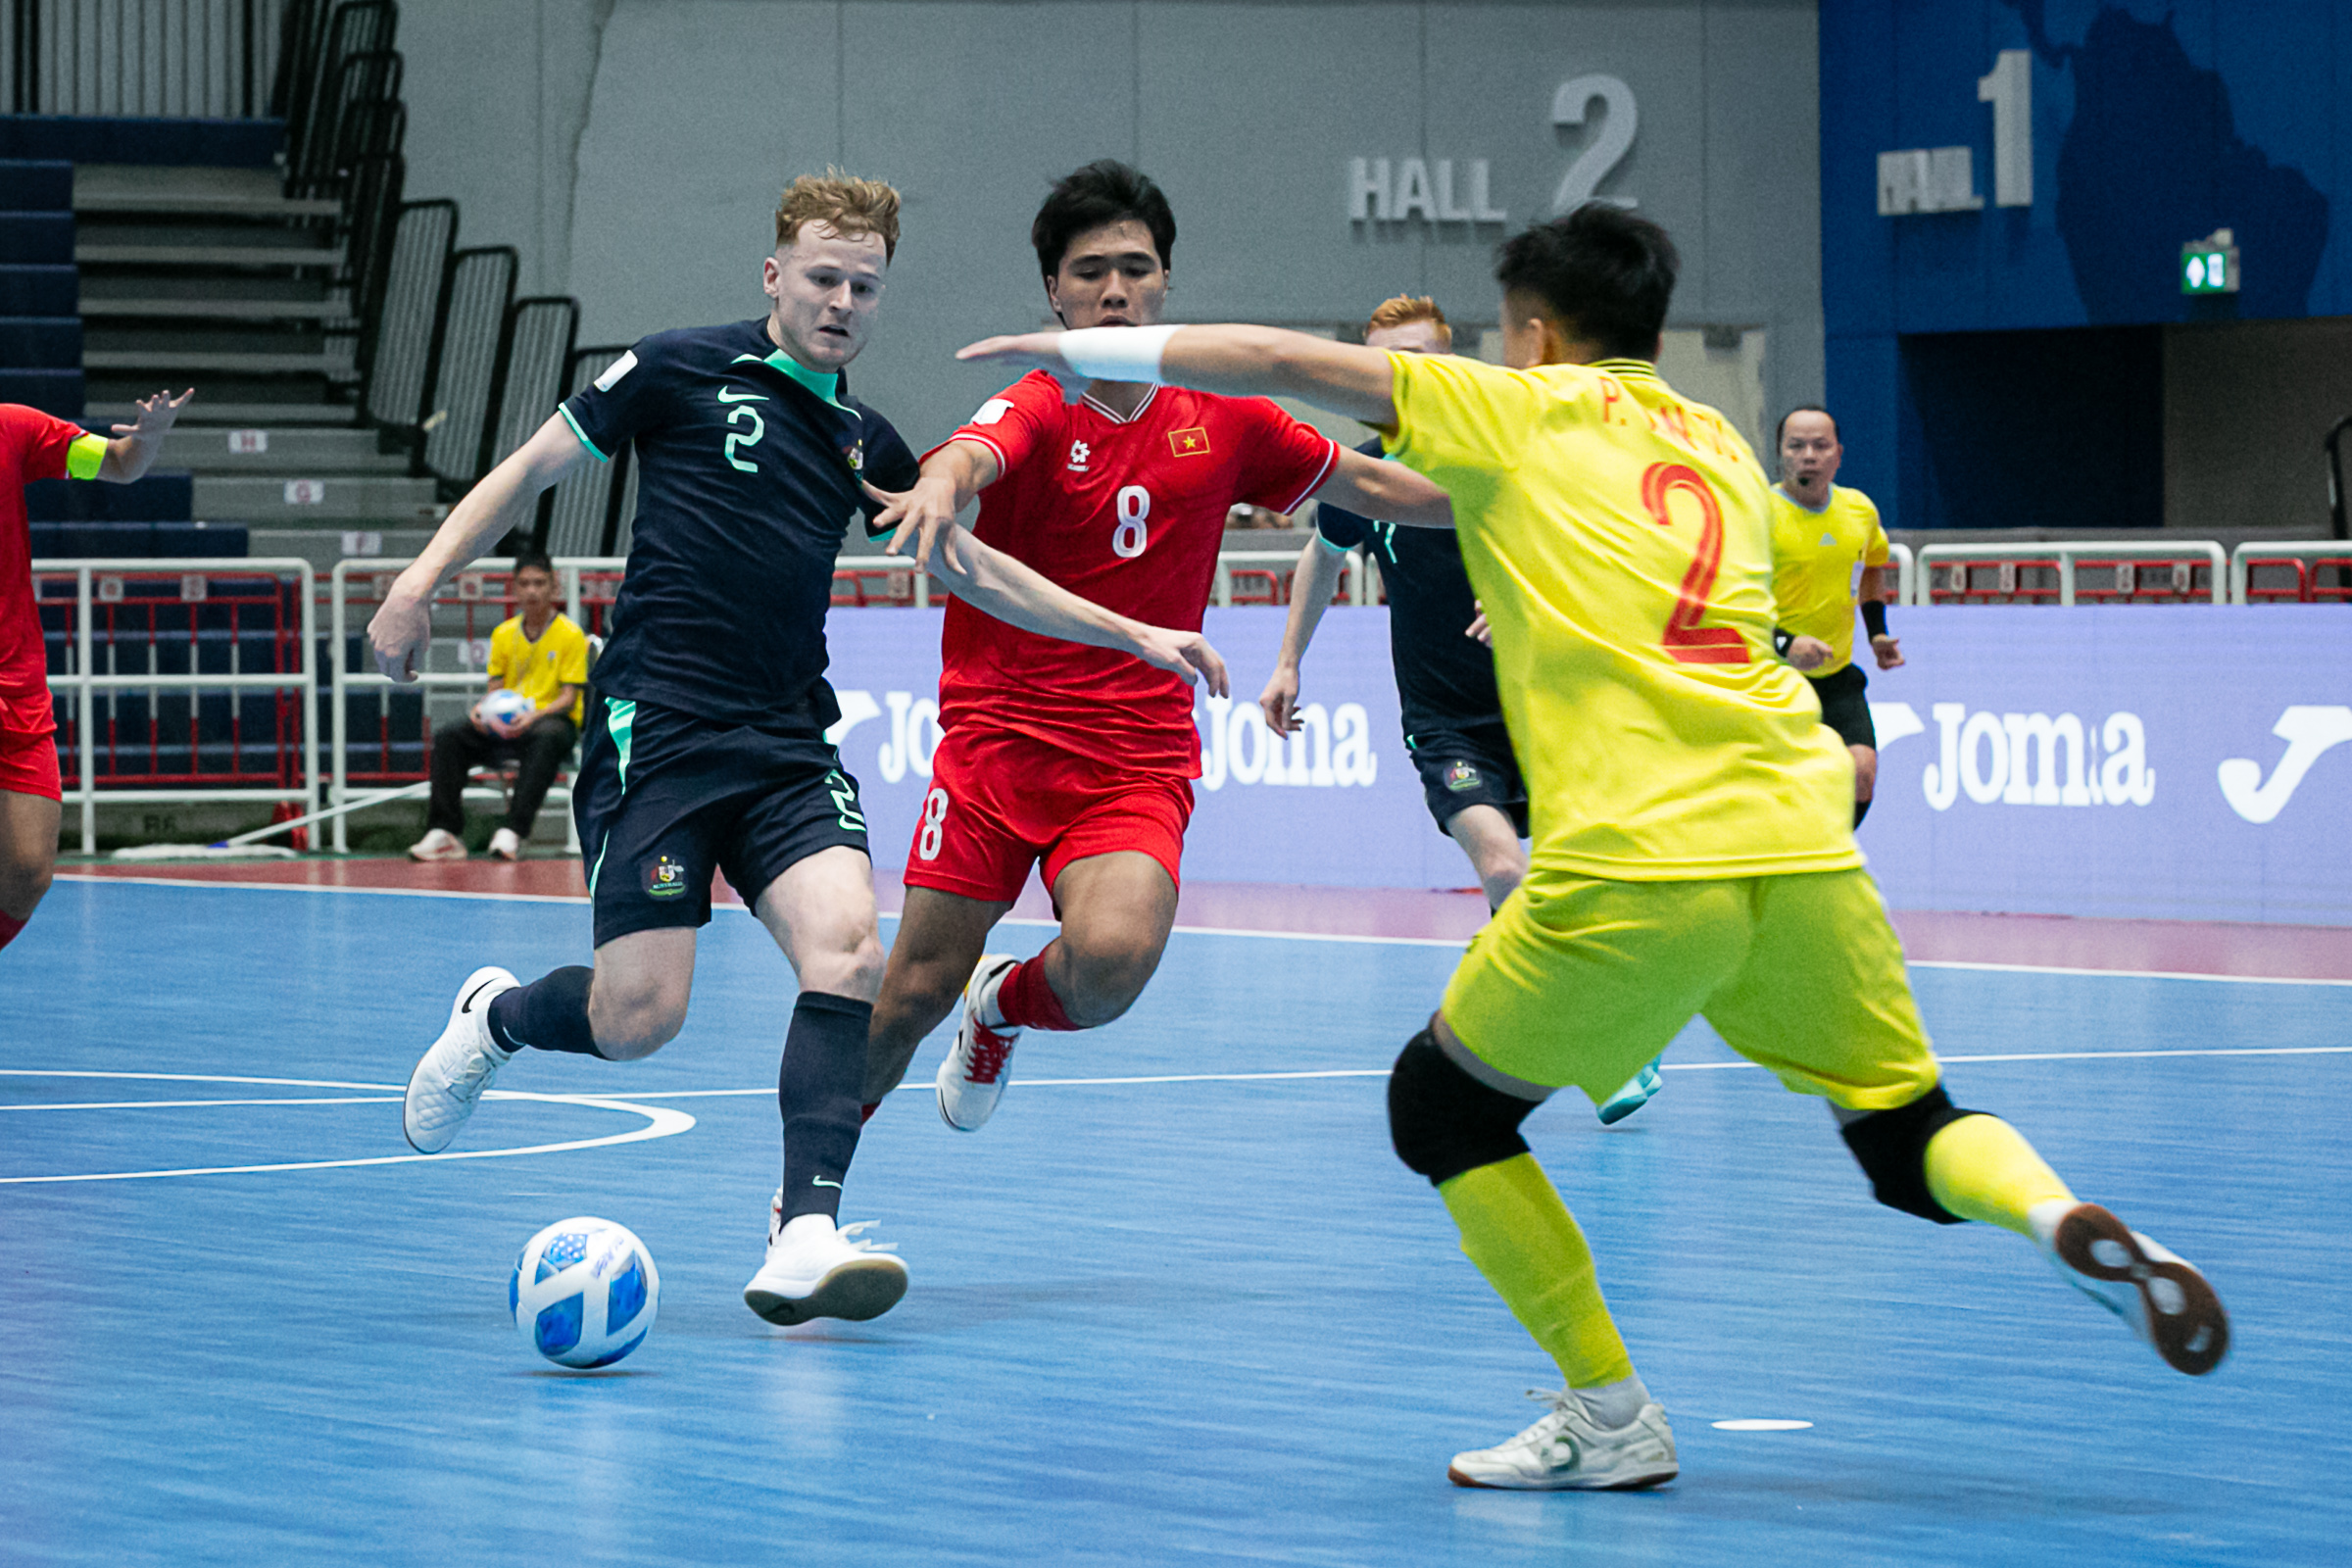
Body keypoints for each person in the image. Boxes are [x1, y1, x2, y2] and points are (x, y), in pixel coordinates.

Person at [952, 201, 2230, 1492]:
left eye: (1507, 332)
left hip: (1639, 854)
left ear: (1538, 331)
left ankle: (1610, 1412)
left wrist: (1099, 354)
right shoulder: (1717, 440)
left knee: (1442, 1105)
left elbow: (1287, 366)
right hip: (1802, 841)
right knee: (1906, 1128)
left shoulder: (1522, 409)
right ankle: (2050, 1210)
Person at [372, 172, 1230, 1329]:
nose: (841, 302)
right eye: (822, 278)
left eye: (863, 286)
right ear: (775, 275)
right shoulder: (676, 367)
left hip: (785, 742)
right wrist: (420, 586)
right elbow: (530, 471)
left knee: (849, 955)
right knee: (639, 1019)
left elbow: (974, 568)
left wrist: (1132, 630)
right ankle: (499, 1017)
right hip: (659, 733)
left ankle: (805, 1229)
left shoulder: (862, 438)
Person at [858, 160, 1453, 1134]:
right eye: (1090, 270)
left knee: (1110, 969)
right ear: (1054, 290)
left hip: (1135, 756)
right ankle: (807, 1203)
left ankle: (1002, 1005)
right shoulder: (1043, 399)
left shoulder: (1225, 415)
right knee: (907, 997)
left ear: (1167, 282)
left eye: (1136, 267)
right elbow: (975, 451)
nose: (1115, 289)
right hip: (999, 742)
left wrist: (1521, 495)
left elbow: (1374, 487)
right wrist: (940, 483)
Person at [1259, 294, 1659, 1124]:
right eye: (1388, 362)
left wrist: (1531, 594)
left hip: (1552, 705)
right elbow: (1324, 557)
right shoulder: (1364, 474)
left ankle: (1574, 1003)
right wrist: (1290, 659)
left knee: (1585, 889)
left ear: (1453, 360)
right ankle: (1603, 1050)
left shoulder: (1513, 454)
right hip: (1447, 722)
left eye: (1420, 357)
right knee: (1506, 869)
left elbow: (1604, 544)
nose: (1405, 376)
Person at [0, 388, 193, 957]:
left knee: (28, 872)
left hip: (16, 682)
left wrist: (149, 435)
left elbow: (120, 464)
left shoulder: (12, 429)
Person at [408, 548, 590, 862]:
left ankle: (513, 831)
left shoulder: (571, 635)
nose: (532, 591)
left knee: (546, 737)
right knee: (451, 736)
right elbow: (494, 688)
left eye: (540, 583)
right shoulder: (503, 634)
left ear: (553, 587)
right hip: (506, 723)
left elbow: (569, 697)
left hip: (552, 720)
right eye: (525, 584)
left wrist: (534, 716)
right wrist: (482, 711)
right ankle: (445, 831)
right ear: (514, 588)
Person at [1769, 407, 1902, 825]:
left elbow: (1872, 567)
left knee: (1861, 773)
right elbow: (1728, 600)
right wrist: (1786, 644)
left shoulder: (1859, 511)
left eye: (1820, 445)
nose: (1809, 454)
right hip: (1770, 677)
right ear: (1781, 454)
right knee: (1780, 790)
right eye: (1797, 445)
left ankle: (1827, 863)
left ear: (1838, 455)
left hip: (1837, 676)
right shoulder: (1756, 514)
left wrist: (1877, 634)